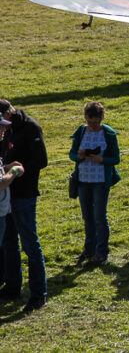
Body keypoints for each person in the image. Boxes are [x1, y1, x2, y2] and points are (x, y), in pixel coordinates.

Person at [0, 98, 48, 311]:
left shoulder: (30, 127)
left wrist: (18, 172)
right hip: (6, 194)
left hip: (24, 194)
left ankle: (38, 294)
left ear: (8, 114)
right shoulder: (6, 130)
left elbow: (42, 160)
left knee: (30, 243)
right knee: (10, 243)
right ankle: (12, 287)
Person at [69, 101, 120, 265]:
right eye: (90, 122)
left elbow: (116, 159)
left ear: (102, 118)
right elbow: (71, 154)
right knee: (87, 217)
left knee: (99, 216)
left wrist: (102, 159)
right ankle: (89, 249)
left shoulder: (108, 133)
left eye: (96, 122)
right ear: (85, 118)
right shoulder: (81, 131)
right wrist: (80, 156)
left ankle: (102, 251)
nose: (92, 125)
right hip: (83, 180)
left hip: (100, 181)